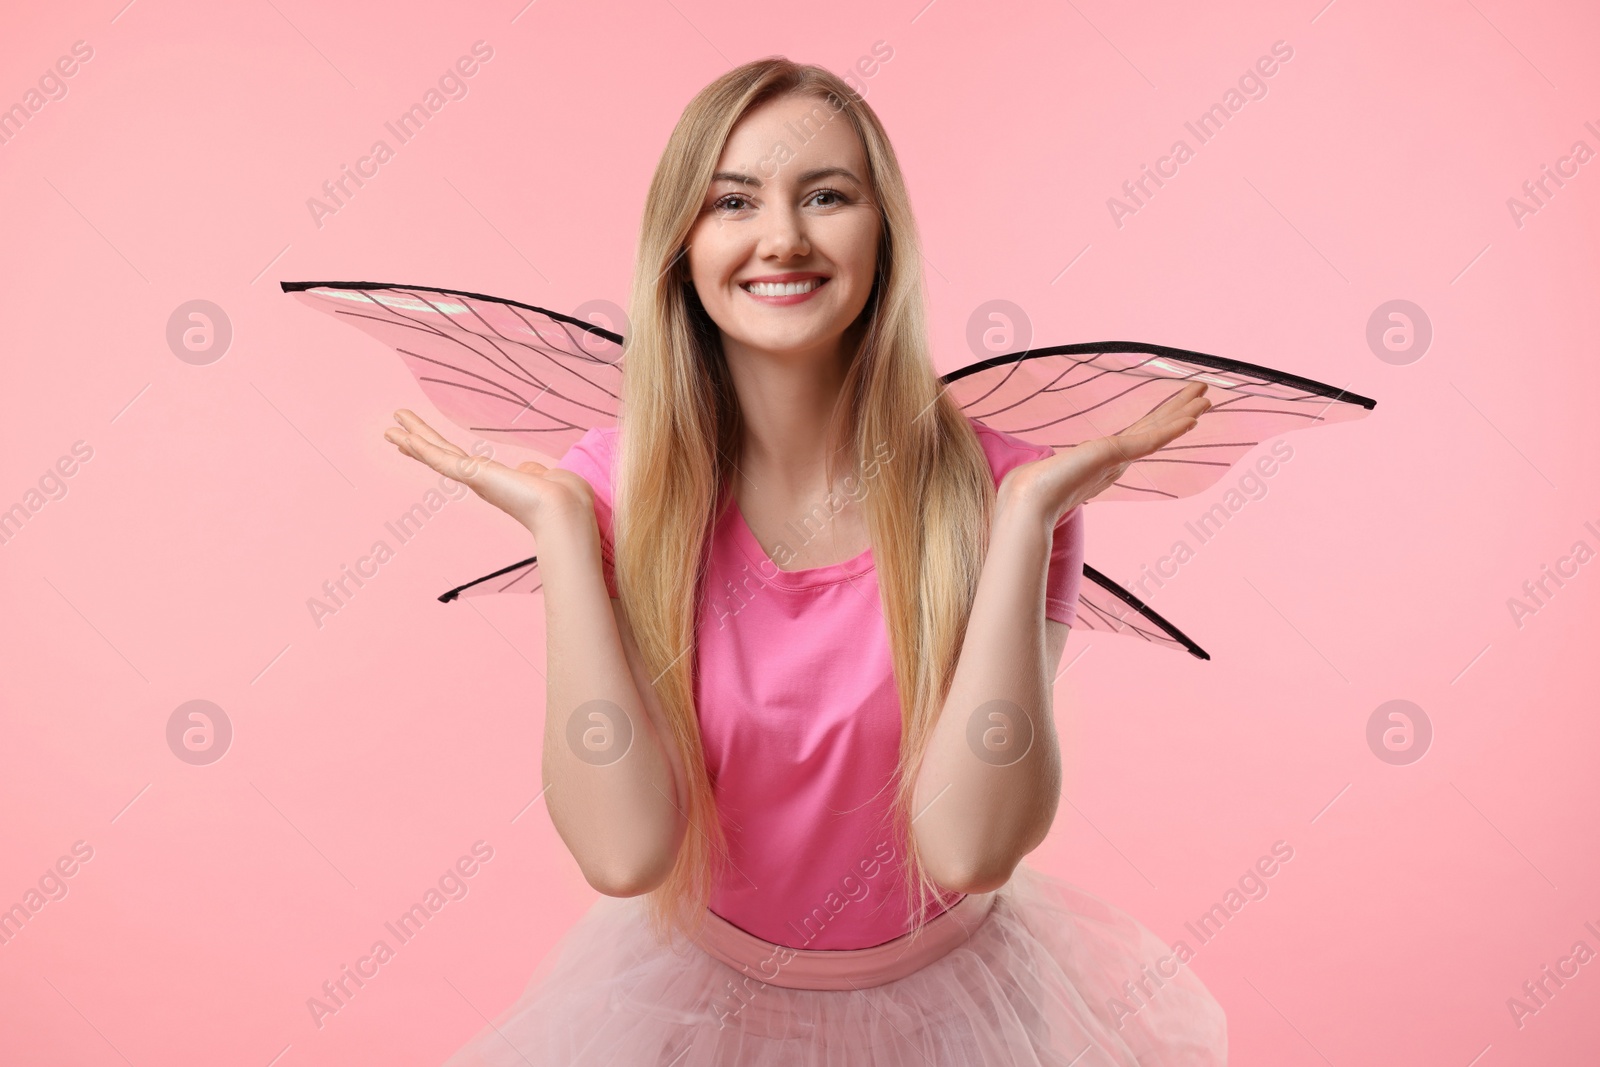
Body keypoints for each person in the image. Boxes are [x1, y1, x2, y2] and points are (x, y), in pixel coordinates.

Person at [386, 56, 1227, 1066]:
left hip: (954, 1016)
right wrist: (564, 529)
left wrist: (1027, 524)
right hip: (694, 1013)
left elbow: (970, 847)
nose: (780, 236)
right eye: (731, 200)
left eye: (826, 194)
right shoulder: (615, 490)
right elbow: (623, 852)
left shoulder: (1004, 490)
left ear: (883, 234)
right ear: (681, 247)